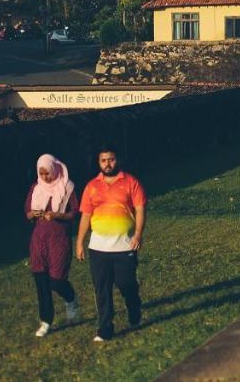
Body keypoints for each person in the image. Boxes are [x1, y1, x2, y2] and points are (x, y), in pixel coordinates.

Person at [76, 146, 146, 343]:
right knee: (102, 290)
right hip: (98, 249)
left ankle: (134, 308)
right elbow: (86, 216)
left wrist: (138, 235)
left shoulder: (131, 182)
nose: (108, 164)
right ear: (99, 163)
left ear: (118, 160)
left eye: (111, 159)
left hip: (125, 246)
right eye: (104, 160)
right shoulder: (91, 186)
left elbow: (140, 210)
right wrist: (80, 242)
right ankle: (105, 329)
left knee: (126, 284)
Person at [25, 154, 80, 337]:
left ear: (55, 169)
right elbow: (26, 212)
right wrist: (33, 214)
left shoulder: (67, 187)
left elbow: (74, 213)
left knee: (56, 280)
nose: (45, 177)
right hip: (39, 240)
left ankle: (70, 298)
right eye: (42, 174)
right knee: (41, 281)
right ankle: (46, 321)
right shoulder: (36, 188)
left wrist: (57, 215)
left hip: (59, 240)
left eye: (47, 173)